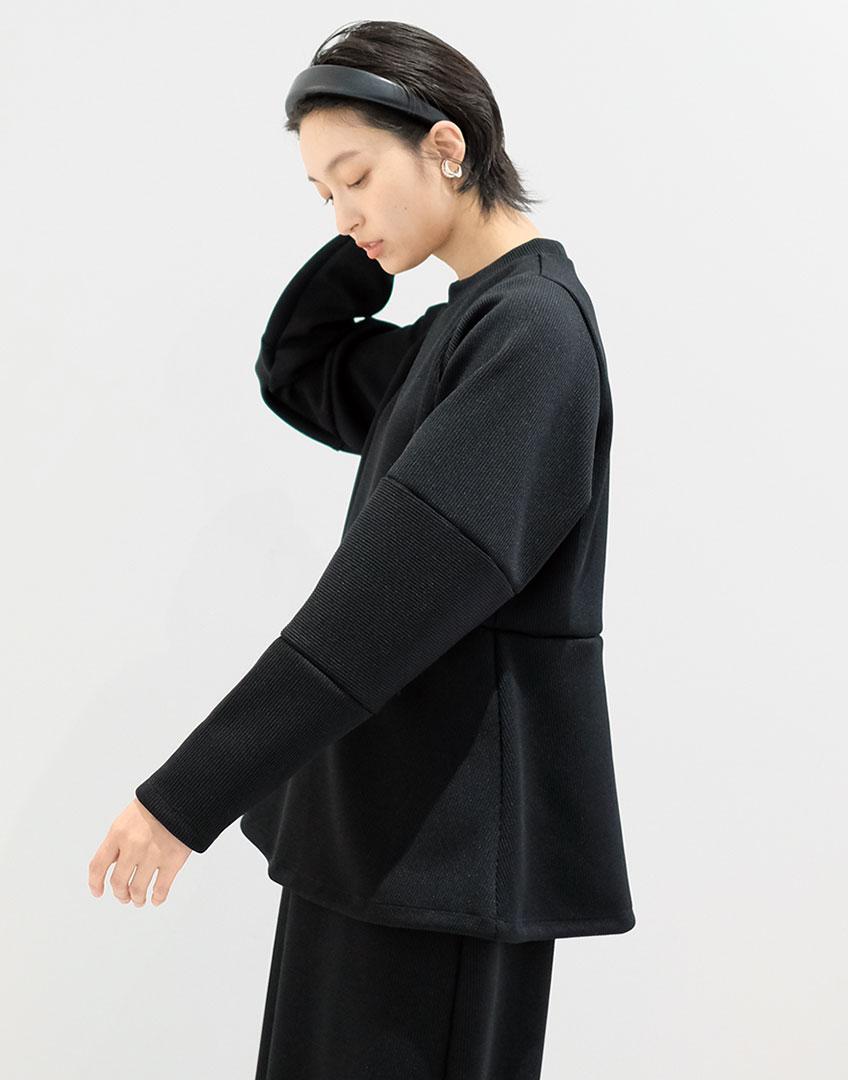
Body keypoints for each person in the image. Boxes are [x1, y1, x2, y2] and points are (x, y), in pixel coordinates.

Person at [87, 19, 636, 1080]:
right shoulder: (467, 328)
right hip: (389, 846)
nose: (342, 214)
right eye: (320, 193)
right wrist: (368, 237)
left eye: (355, 177)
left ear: (446, 147)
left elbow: (376, 611)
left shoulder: (532, 338)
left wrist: (183, 800)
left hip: (445, 862)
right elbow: (300, 369)